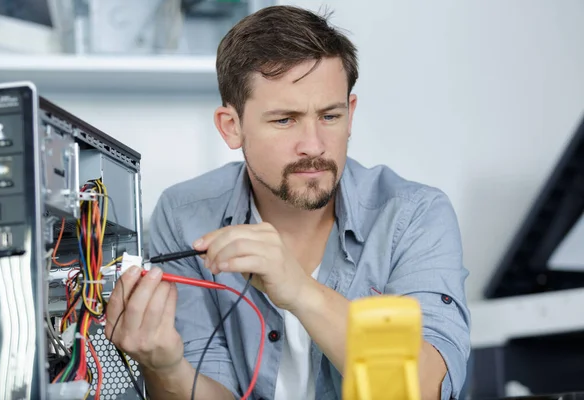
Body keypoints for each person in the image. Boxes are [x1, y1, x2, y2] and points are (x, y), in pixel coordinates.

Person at [105, 5, 471, 400]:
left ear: (350, 113)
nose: (313, 145)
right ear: (232, 127)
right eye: (285, 120)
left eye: (330, 117)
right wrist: (168, 368)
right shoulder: (183, 216)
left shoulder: (414, 215)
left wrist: (299, 290)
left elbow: (426, 388)